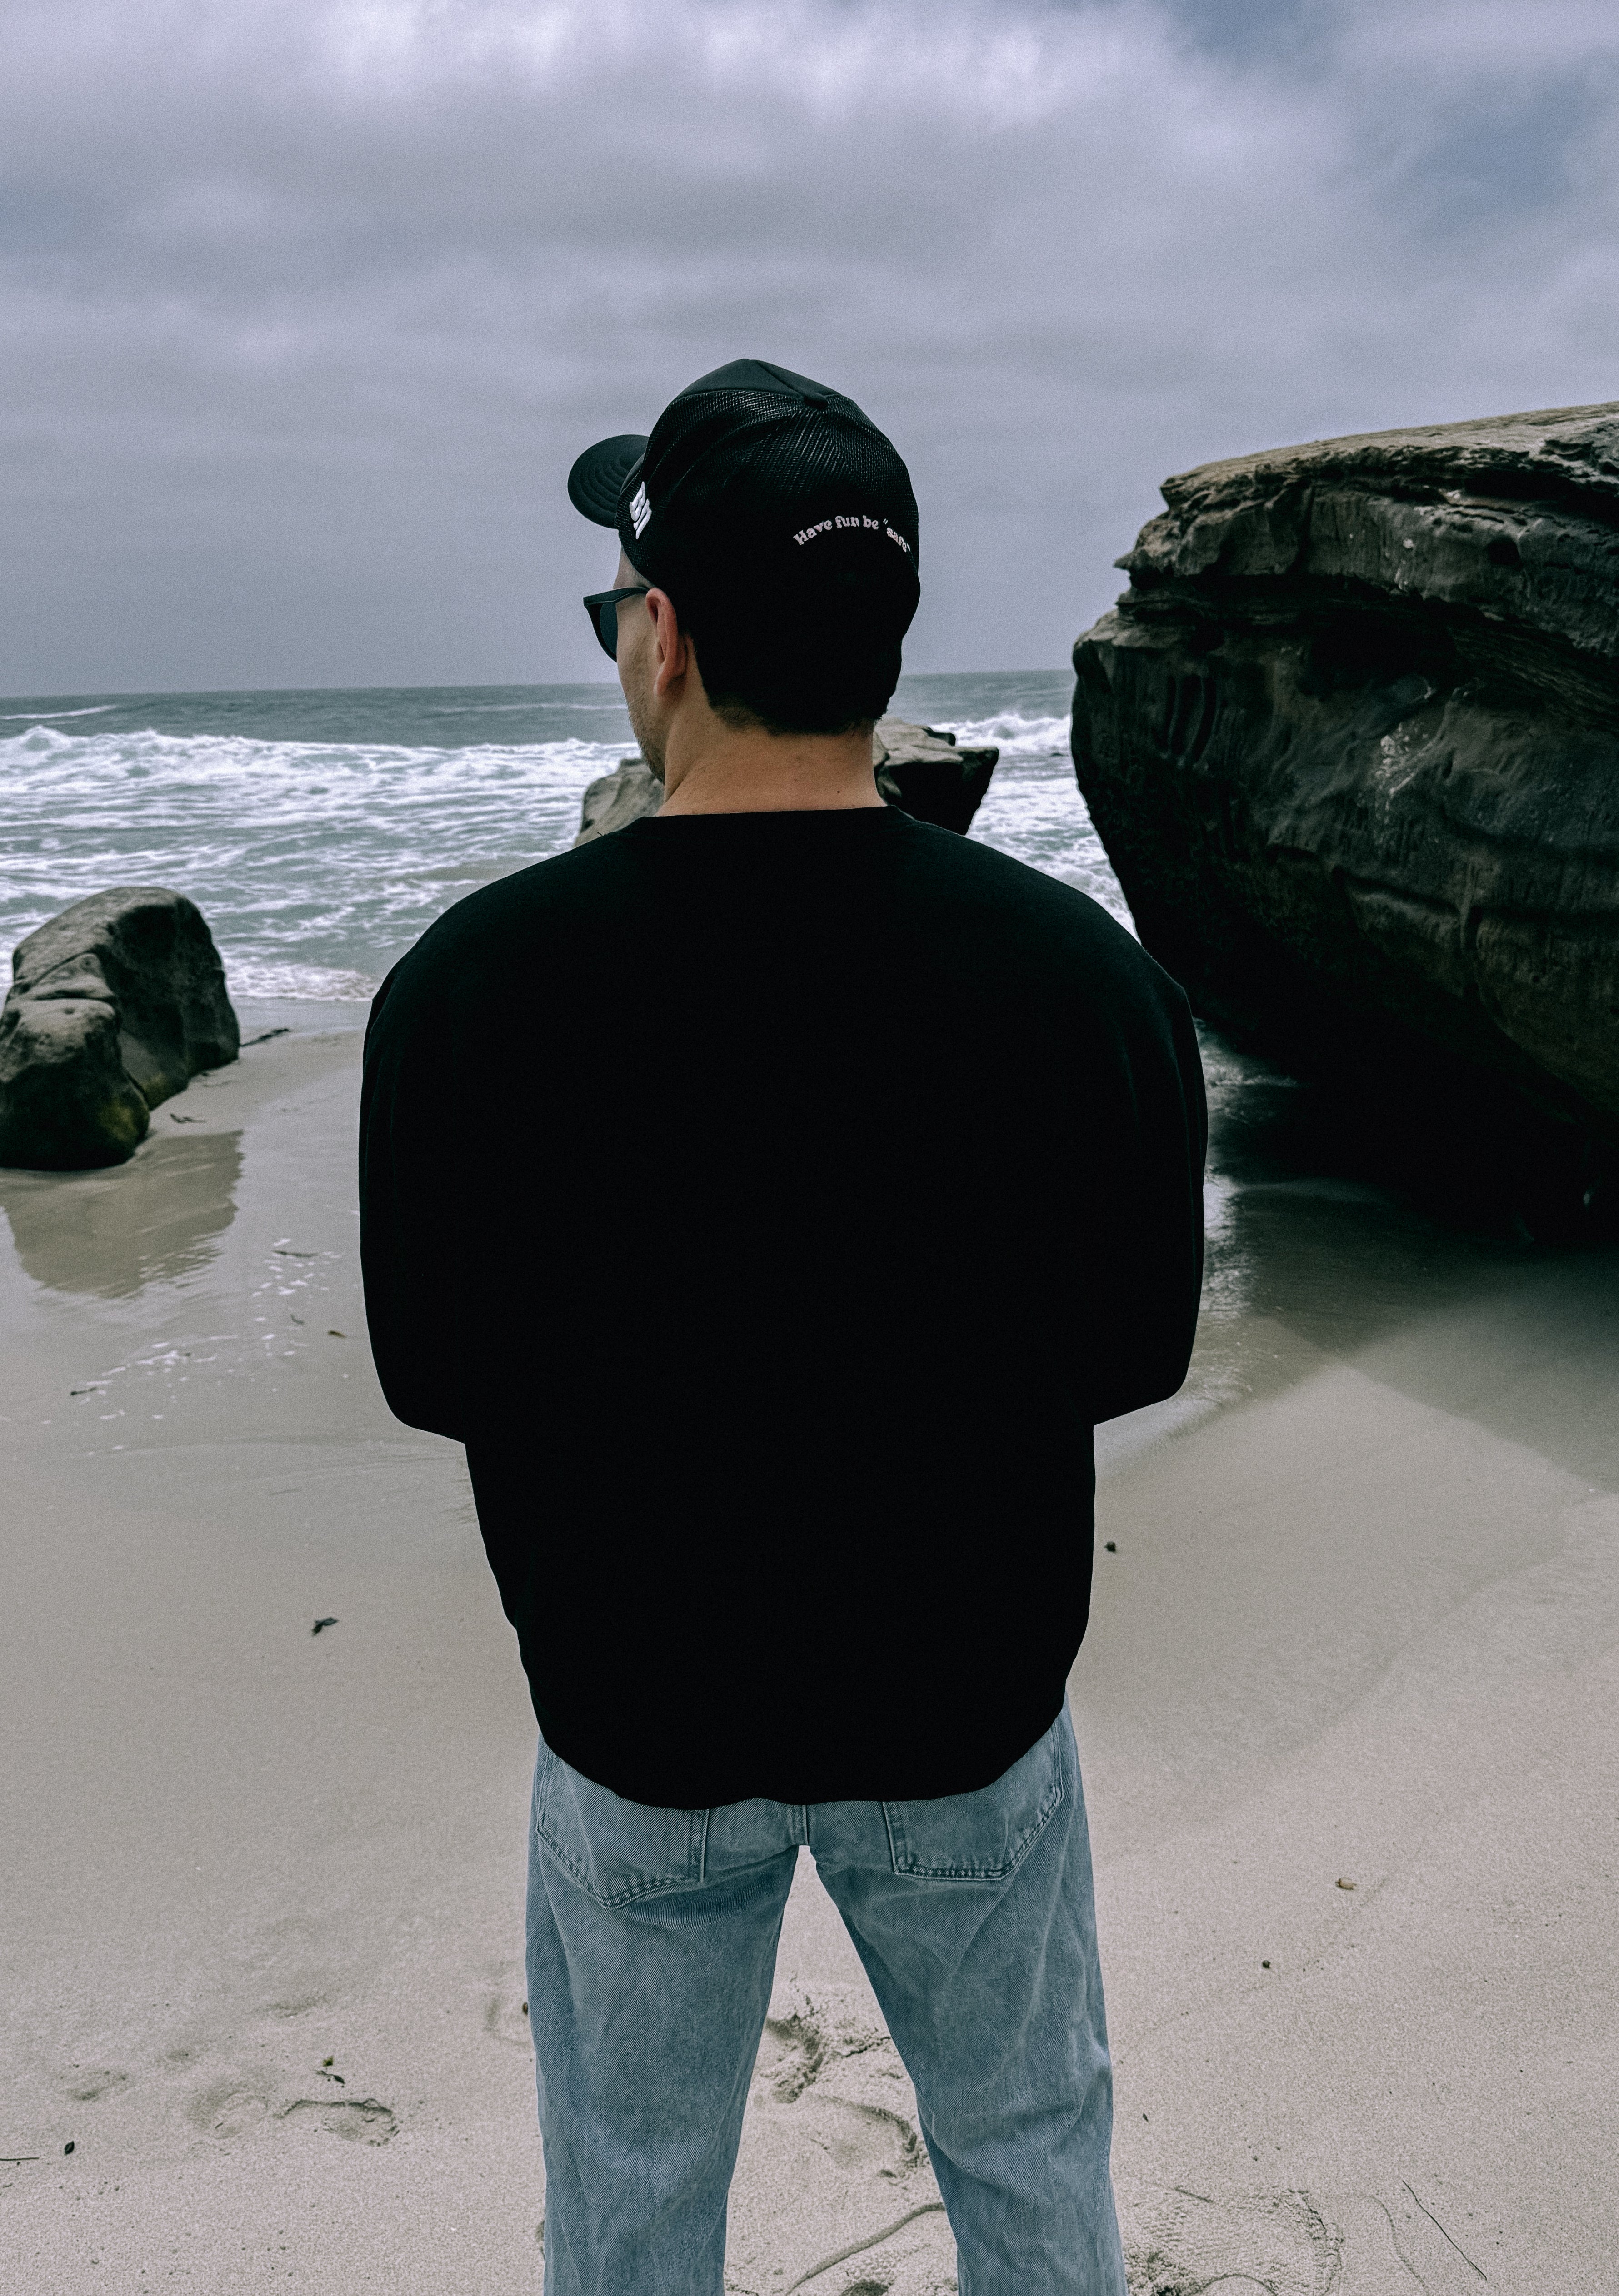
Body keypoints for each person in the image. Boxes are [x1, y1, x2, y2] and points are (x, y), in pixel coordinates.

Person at [360, 358, 1206, 2296]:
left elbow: (434, 1371)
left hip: (641, 1715)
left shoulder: (473, 994)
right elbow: (1134, 1350)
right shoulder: (1081, 981)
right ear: (877, 645)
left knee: (635, 2196)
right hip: (967, 1708)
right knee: (1026, 2149)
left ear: (663, 639)